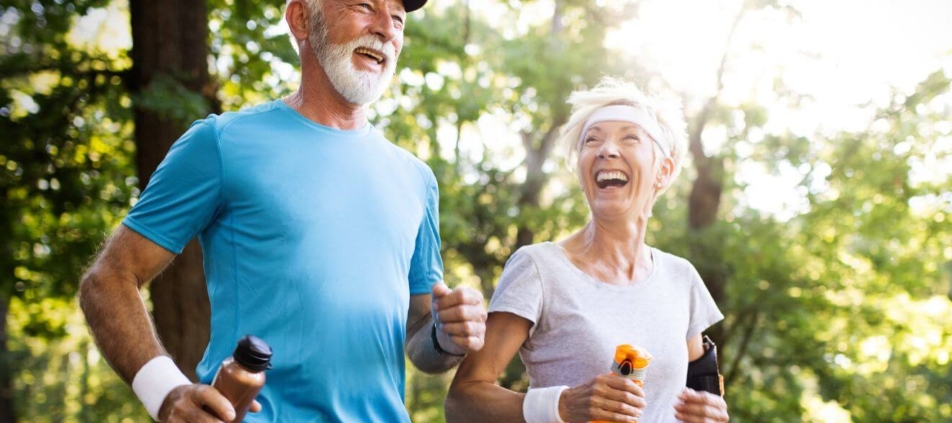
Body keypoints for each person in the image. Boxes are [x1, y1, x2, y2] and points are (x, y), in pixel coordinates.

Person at [78, 0, 488, 421]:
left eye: (398, 18)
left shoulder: (416, 179)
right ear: (301, 19)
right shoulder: (222, 143)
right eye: (365, 6)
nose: (386, 28)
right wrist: (166, 393)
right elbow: (107, 280)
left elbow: (420, 337)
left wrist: (446, 335)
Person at [445, 78, 730, 423]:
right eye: (591, 140)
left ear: (663, 171)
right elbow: (462, 400)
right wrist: (561, 406)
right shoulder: (539, 268)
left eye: (629, 137)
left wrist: (711, 414)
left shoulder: (680, 278)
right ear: (582, 173)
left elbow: (701, 393)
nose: (606, 150)